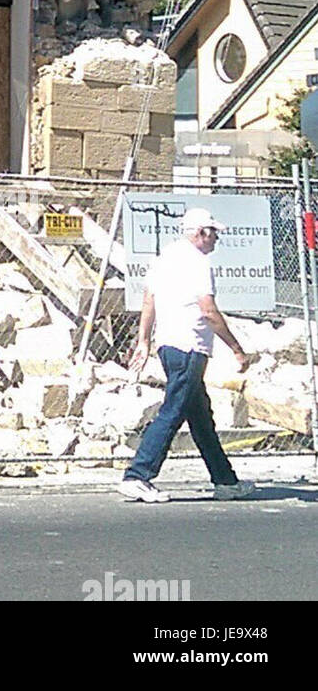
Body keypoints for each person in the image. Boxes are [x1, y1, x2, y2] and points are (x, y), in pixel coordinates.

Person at [118, 207, 256, 503]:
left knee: (200, 417)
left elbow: (149, 300)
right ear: (201, 233)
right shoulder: (199, 263)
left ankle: (226, 482)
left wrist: (144, 340)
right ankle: (138, 475)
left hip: (168, 345)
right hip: (189, 348)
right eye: (213, 232)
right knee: (173, 410)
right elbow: (208, 311)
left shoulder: (164, 258)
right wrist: (237, 349)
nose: (217, 238)